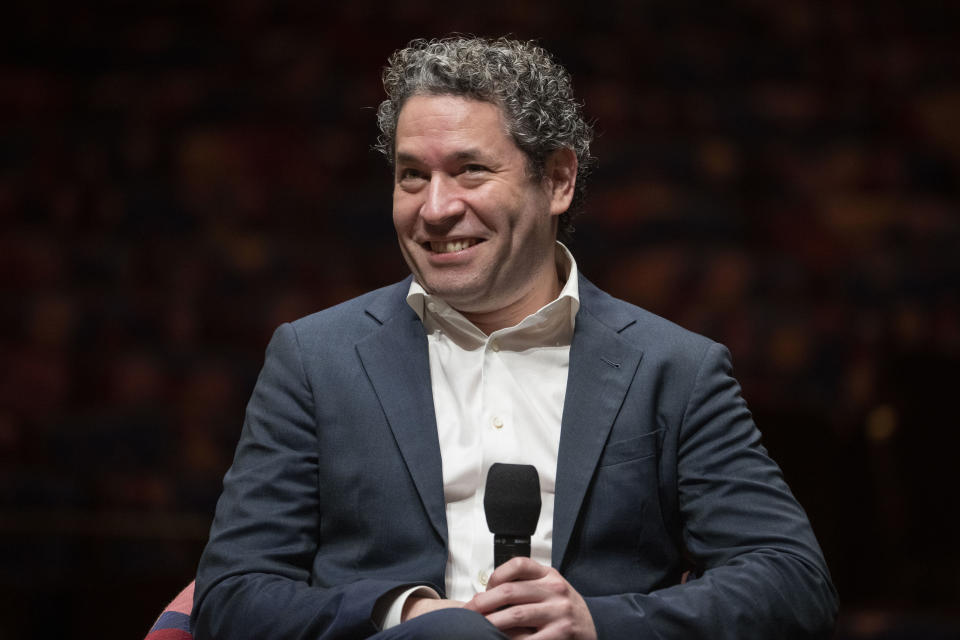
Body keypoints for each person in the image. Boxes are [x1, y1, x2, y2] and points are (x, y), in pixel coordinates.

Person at [191, 36, 837, 639]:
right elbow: (232, 594)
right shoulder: (313, 361)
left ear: (557, 180)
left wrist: (599, 623)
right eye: (412, 174)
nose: (436, 207)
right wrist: (406, 614)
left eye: (470, 170)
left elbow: (794, 582)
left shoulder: (674, 369)